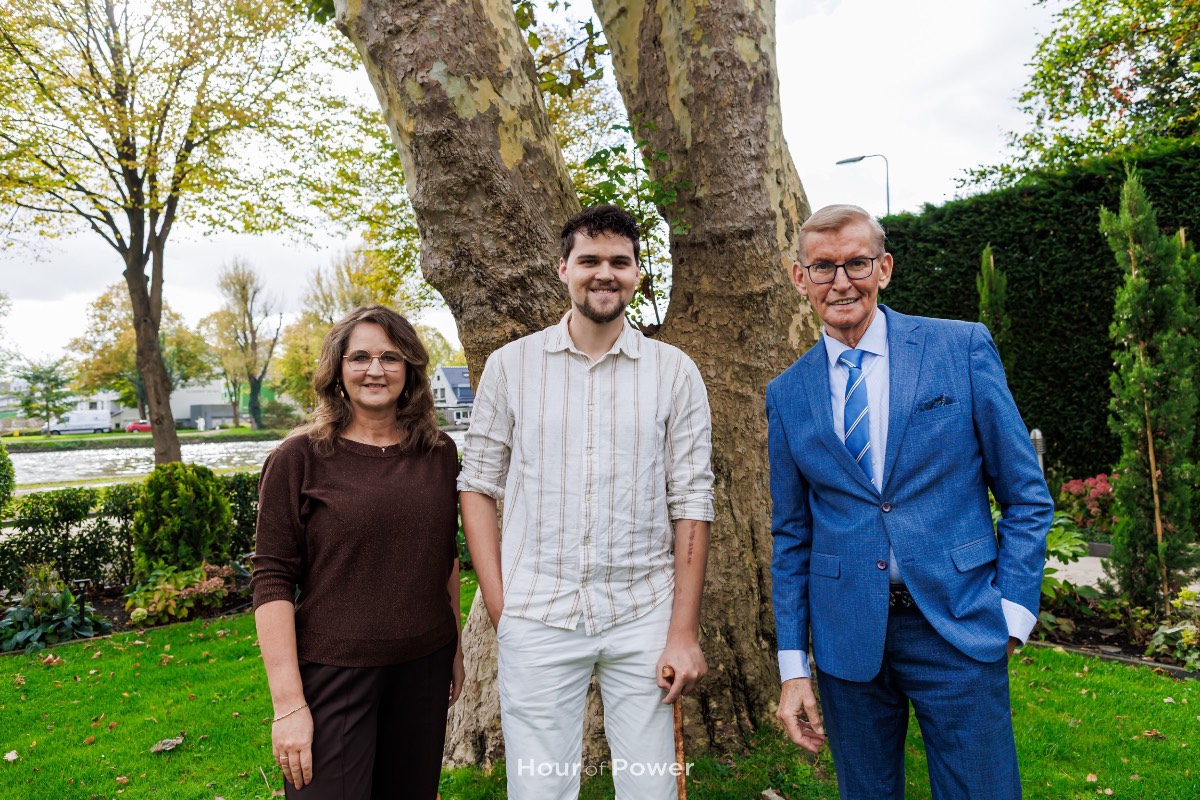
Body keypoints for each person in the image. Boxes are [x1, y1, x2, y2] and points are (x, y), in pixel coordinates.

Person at [768, 205, 1053, 799]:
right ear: (800, 278)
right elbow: (792, 537)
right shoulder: (787, 394)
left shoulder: (960, 348)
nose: (841, 282)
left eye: (856, 263)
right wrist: (794, 668)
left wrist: (1015, 612)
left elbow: (1026, 495)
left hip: (959, 623)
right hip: (848, 638)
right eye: (823, 267)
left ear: (885, 268)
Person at [458, 203, 714, 800]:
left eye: (620, 262)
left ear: (637, 274)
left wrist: (682, 631)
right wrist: (502, 606)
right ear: (563, 269)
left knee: (650, 789)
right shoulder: (511, 367)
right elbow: (477, 486)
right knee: (539, 789)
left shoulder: (674, 372)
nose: (605, 273)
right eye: (590, 260)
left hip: (645, 612)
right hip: (537, 612)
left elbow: (692, 500)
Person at [252, 305, 464, 799]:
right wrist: (288, 704)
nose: (375, 369)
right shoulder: (298, 458)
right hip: (333, 672)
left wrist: (452, 649)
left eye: (391, 357)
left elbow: (444, 558)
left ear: (410, 368)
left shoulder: (439, 453)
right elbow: (272, 580)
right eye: (360, 357)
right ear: (338, 369)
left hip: (423, 667)